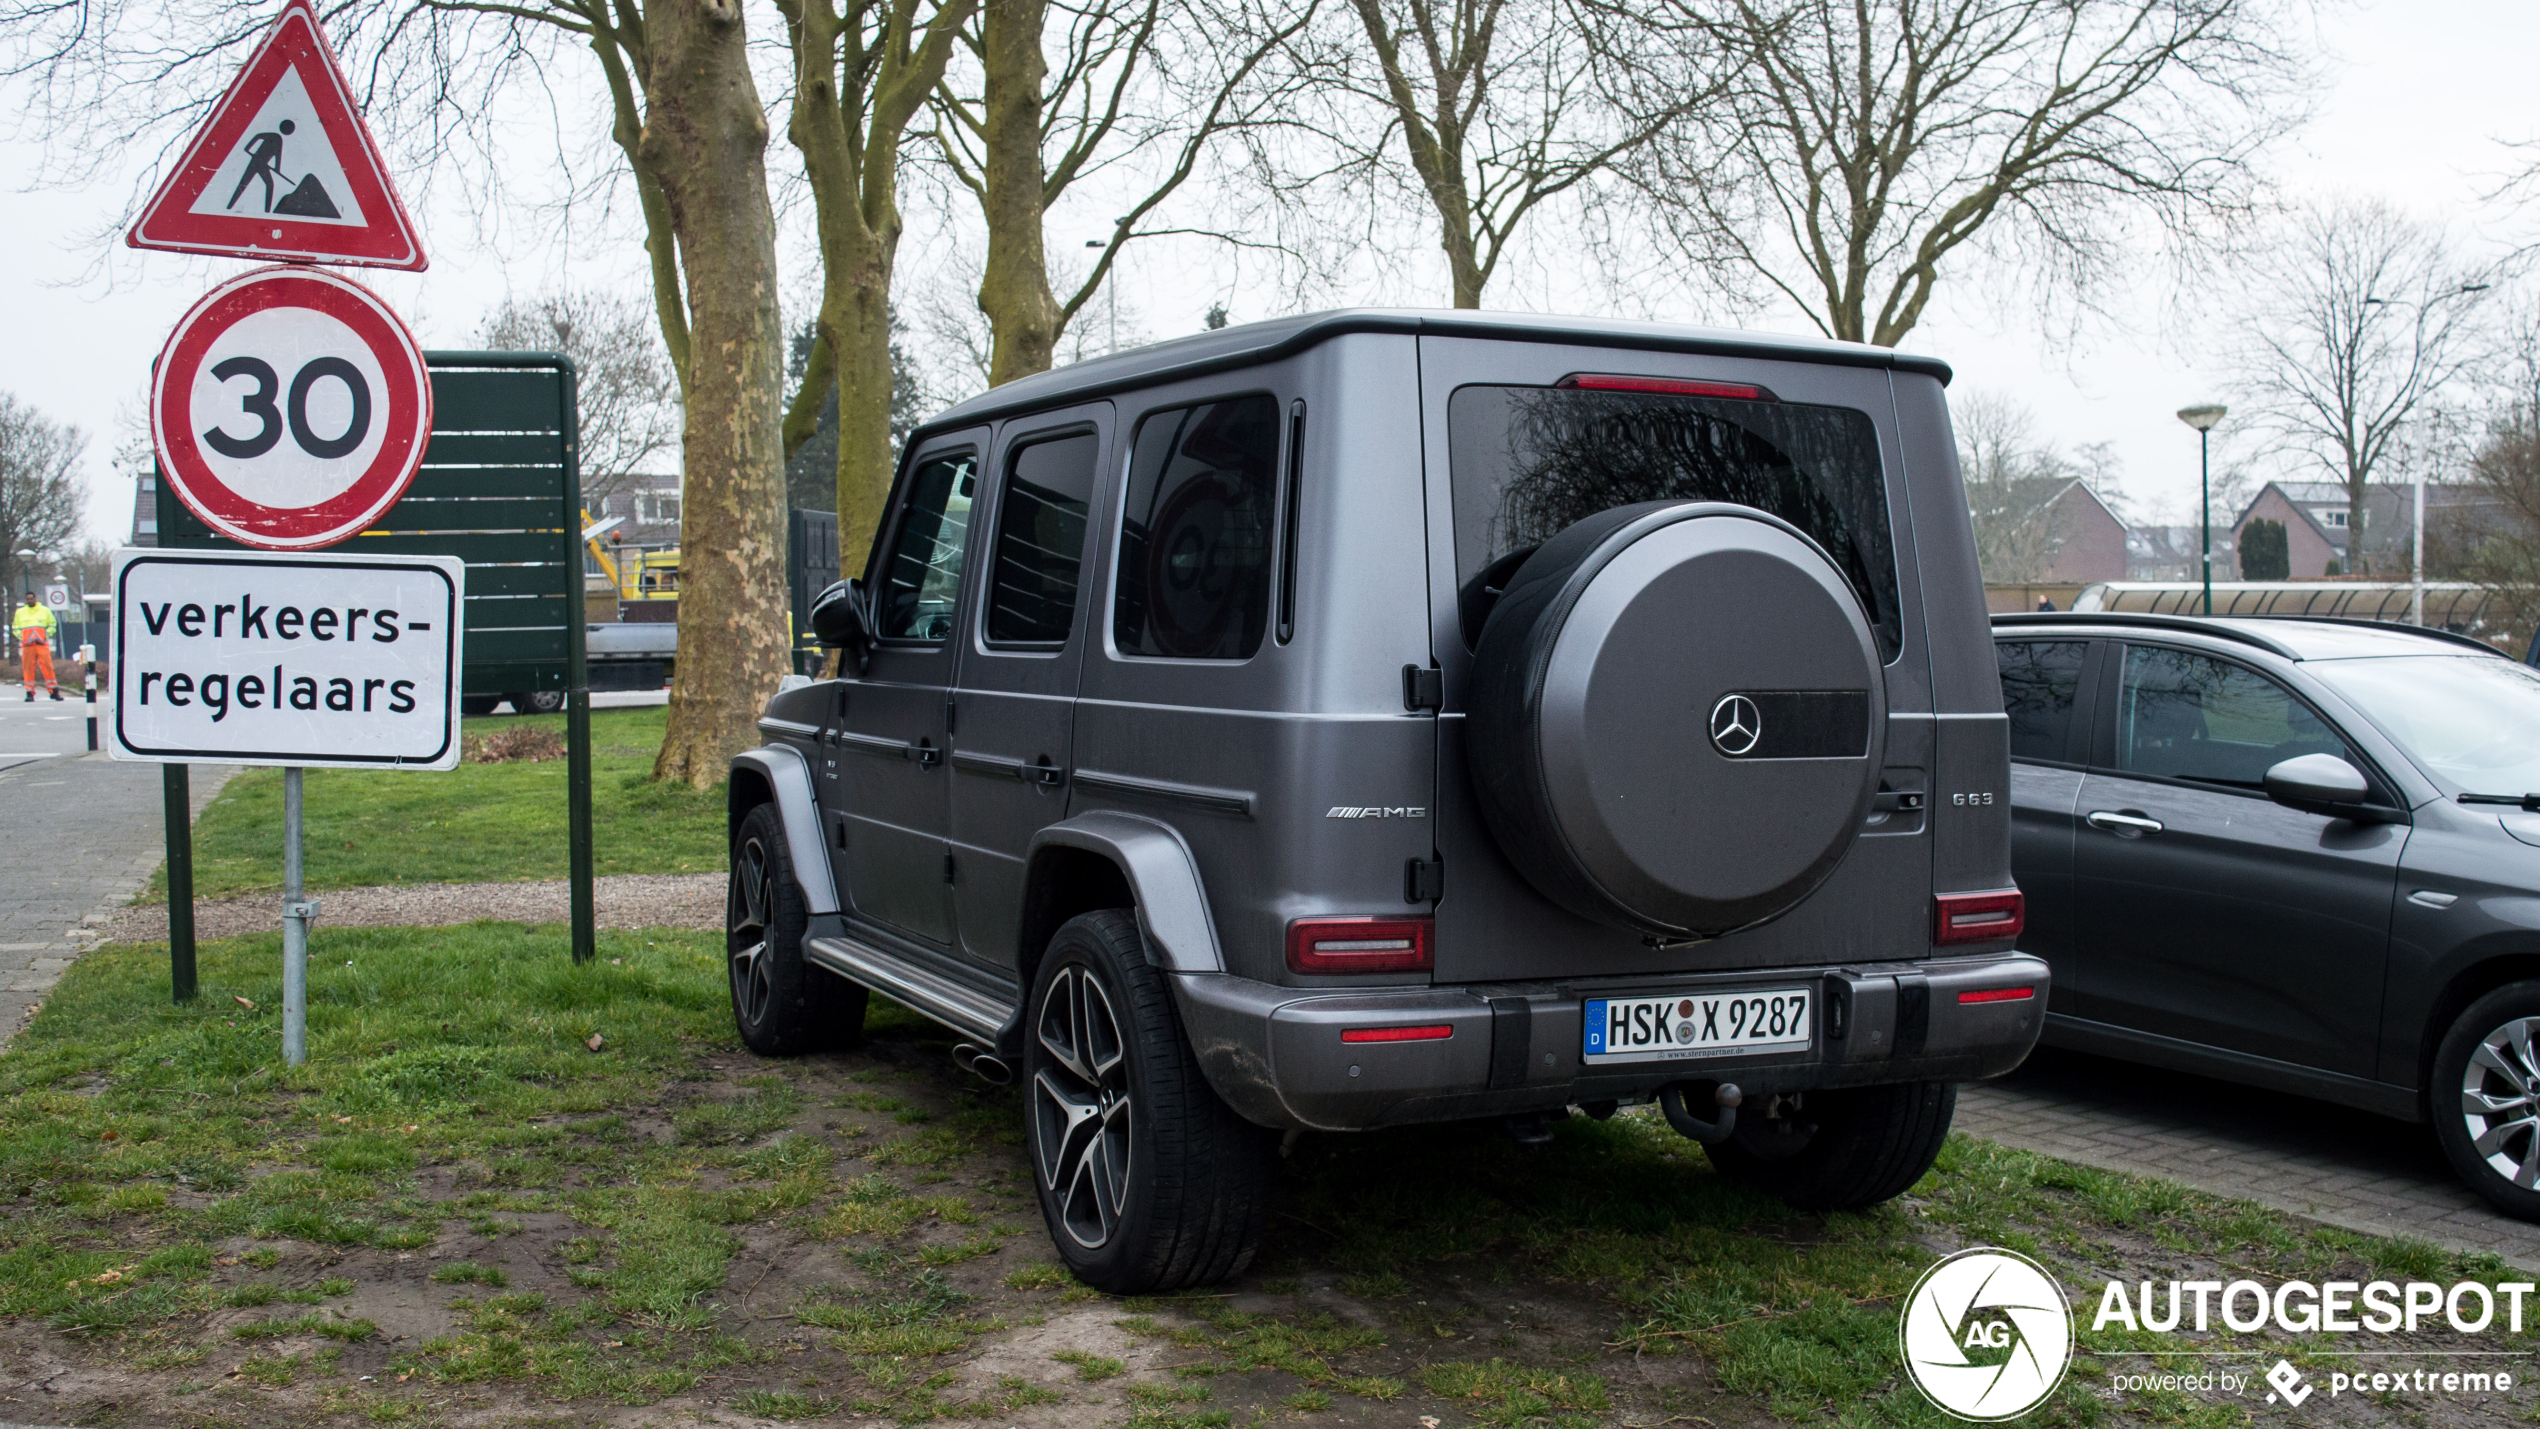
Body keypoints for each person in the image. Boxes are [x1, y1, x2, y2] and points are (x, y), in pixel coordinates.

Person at [13, 593, 60, 702]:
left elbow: (52, 625)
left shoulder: (45, 610)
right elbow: (15, 628)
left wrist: (45, 636)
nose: (29, 600)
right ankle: (30, 693)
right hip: (27, 646)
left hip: (41, 644)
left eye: (31, 598)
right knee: (28, 669)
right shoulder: (20, 612)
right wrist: (23, 639)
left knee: (48, 667)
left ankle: (54, 691)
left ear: (35, 598)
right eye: (27, 599)